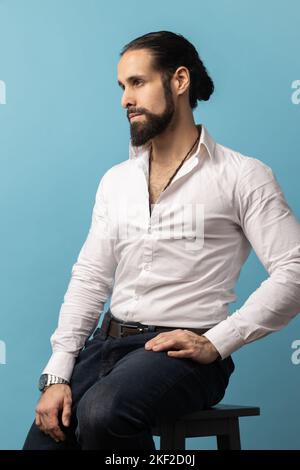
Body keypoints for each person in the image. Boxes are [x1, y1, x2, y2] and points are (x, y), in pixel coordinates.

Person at [23, 31, 300, 450]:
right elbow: (91, 277)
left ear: (180, 81)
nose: (124, 100)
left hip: (184, 355)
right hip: (105, 348)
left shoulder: (243, 176)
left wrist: (216, 341)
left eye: (137, 83)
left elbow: (294, 269)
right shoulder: (116, 181)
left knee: (102, 413)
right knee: (47, 435)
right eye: (121, 87)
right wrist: (58, 373)